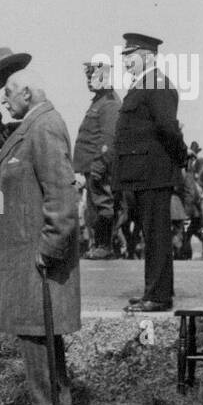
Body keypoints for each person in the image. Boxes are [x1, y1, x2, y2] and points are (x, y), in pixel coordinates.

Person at [0, 48, 81, 405]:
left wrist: (50, 247)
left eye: (7, 95)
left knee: (36, 329)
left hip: (37, 249)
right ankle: (54, 403)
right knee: (34, 330)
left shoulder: (44, 127)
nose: (3, 100)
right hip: (25, 247)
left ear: (27, 94)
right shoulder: (28, 125)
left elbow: (62, 196)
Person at [113, 32, 187, 312]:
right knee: (151, 235)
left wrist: (180, 159)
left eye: (130, 58)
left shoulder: (157, 85)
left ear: (148, 56)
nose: (126, 63)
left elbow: (169, 128)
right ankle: (152, 292)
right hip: (143, 173)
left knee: (156, 237)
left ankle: (158, 296)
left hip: (154, 173)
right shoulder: (144, 85)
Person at [73, 60, 121, 259]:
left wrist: (99, 165)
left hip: (98, 165)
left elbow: (108, 138)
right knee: (95, 206)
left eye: (93, 77)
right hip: (91, 165)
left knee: (103, 203)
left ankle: (105, 245)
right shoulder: (99, 101)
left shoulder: (109, 102)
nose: (89, 81)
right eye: (88, 77)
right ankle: (100, 245)